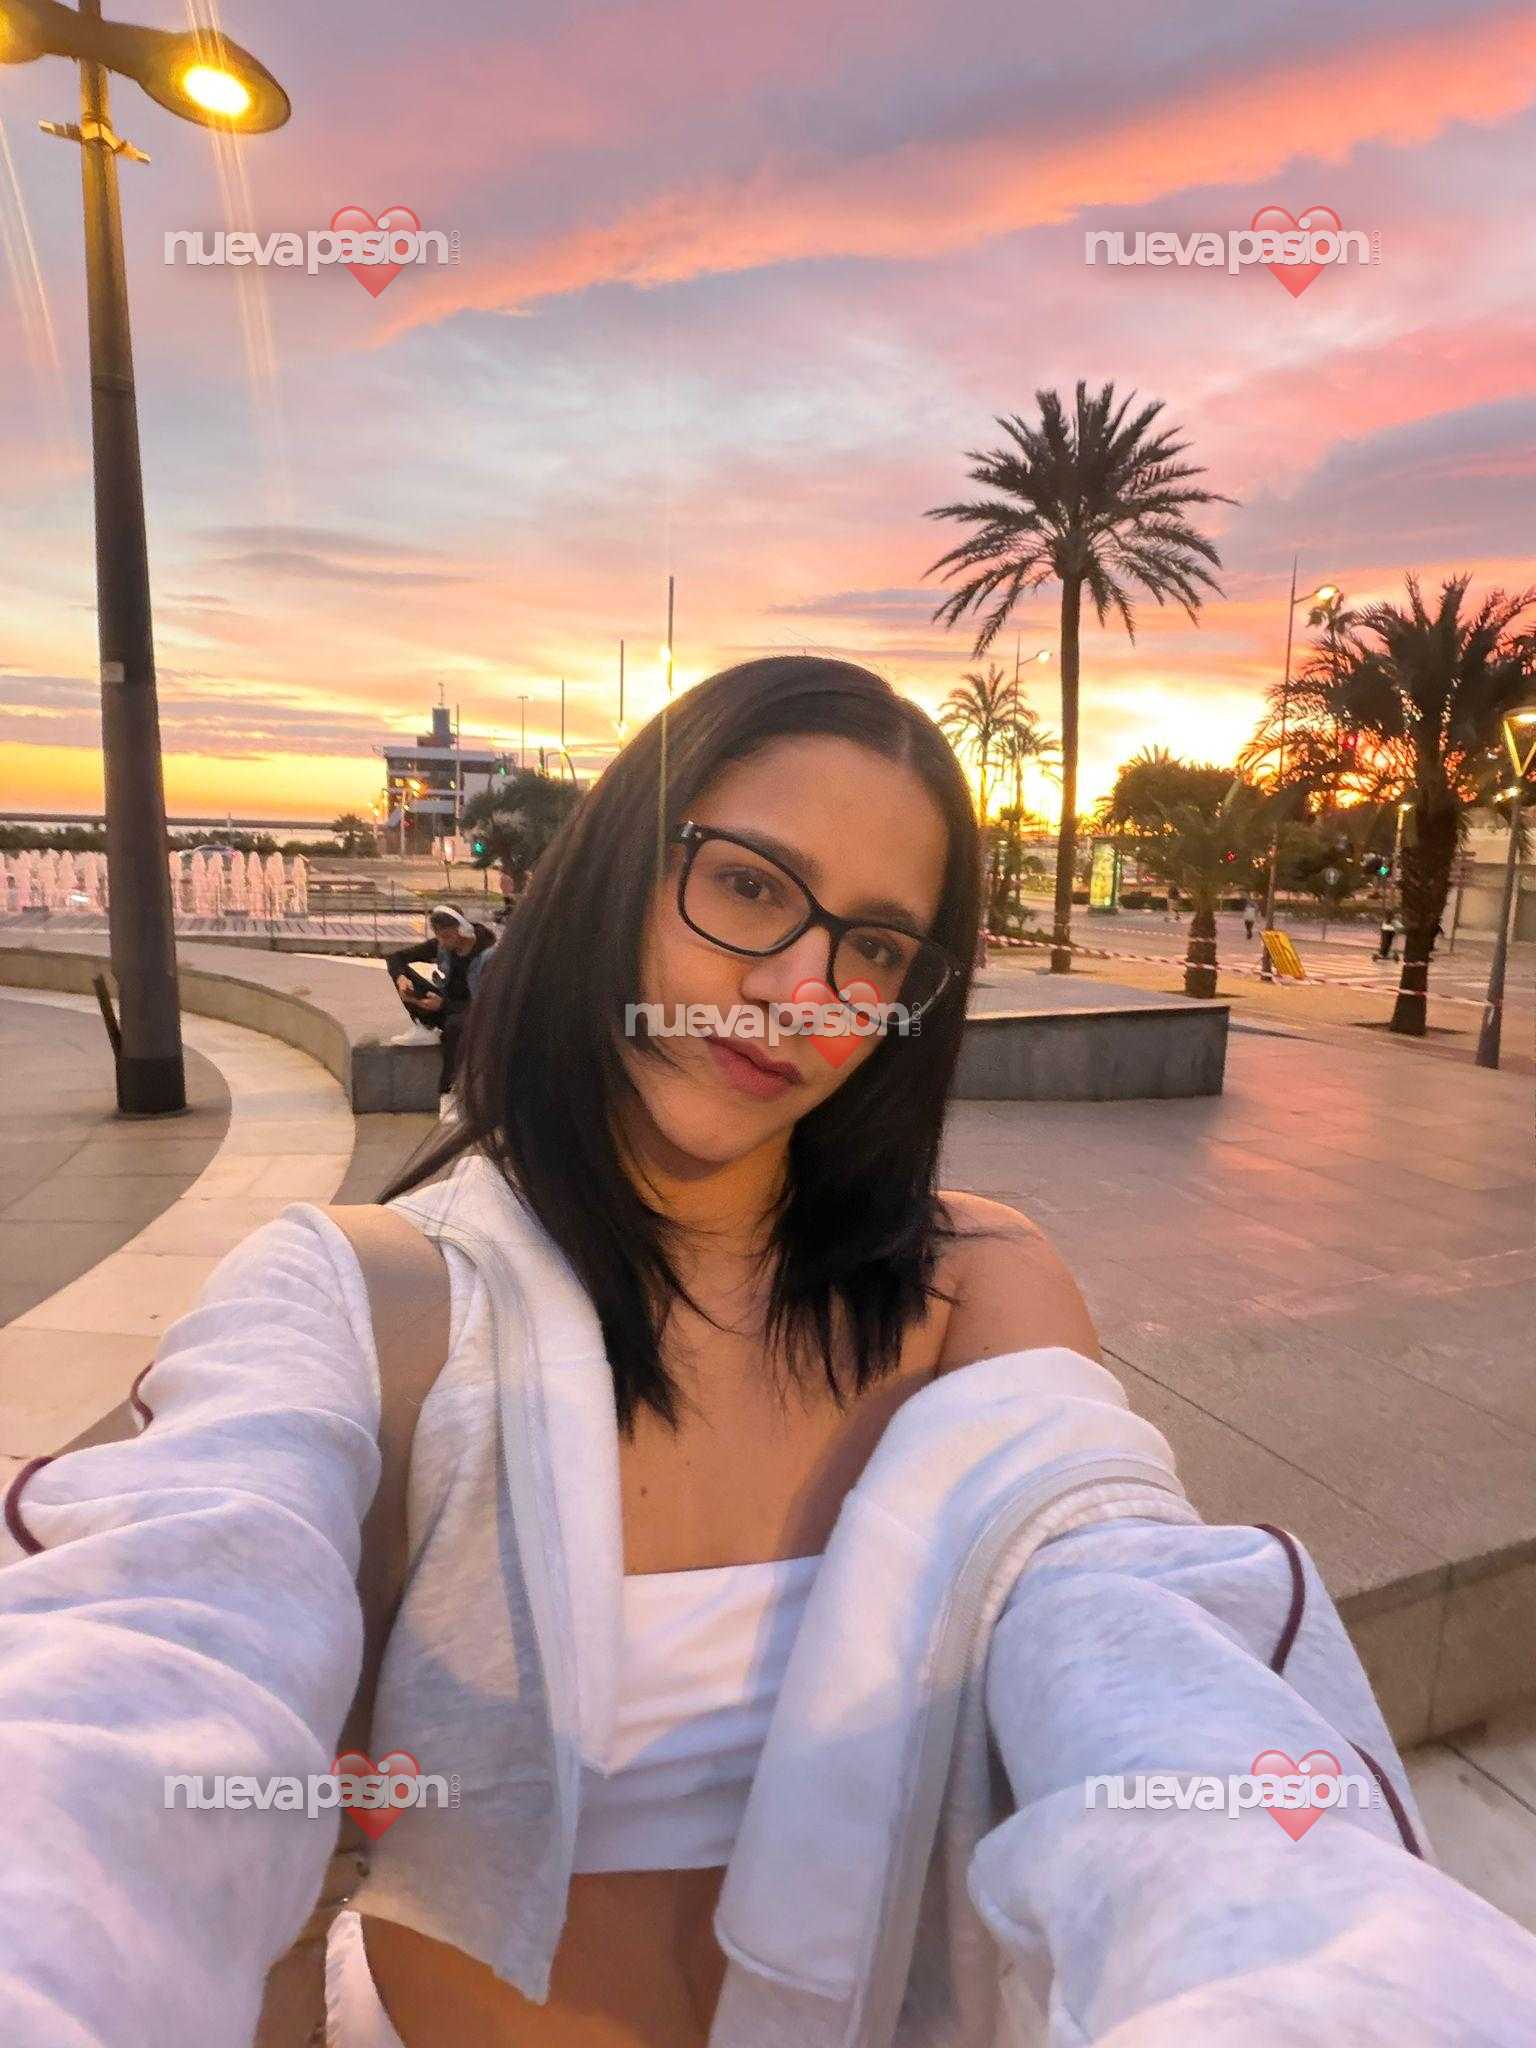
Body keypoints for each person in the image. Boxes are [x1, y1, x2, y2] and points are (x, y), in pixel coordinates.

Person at [1, 657, 1491, 2048]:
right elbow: (143, 1673)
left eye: (875, 945)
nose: (798, 991)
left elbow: (1136, 1637)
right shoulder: (369, 1305)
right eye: (747, 885)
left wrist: (1312, 1961)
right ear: (613, 877)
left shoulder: (975, 1293)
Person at [385, 904, 496, 1096]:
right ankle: (426, 1026)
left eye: (446, 936)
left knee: (454, 1025)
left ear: (462, 930)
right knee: (406, 978)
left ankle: (448, 1089)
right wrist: (401, 979)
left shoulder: (488, 955)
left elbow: (488, 1005)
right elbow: (396, 957)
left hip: (475, 1016)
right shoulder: (443, 946)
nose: (442, 943)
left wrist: (443, 1005)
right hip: (445, 1005)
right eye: (439, 937)